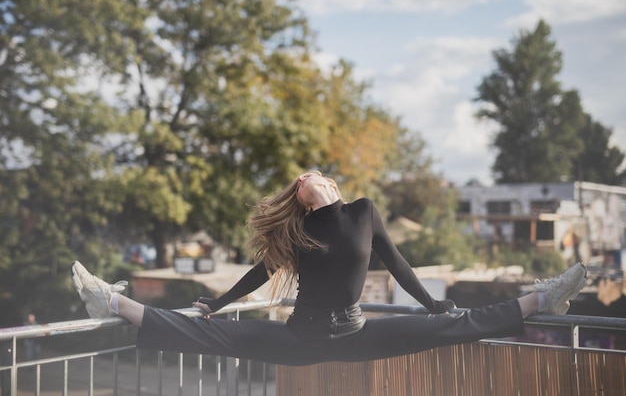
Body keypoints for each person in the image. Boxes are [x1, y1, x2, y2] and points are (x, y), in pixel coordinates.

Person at [71, 171, 587, 366]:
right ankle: (109, 299)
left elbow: (399, 263)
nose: (305, 175)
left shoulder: (365, 212)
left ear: (331, 187)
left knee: (454, 325)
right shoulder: (296, 232)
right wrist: (217, 303)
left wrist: (432, 304)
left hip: (357, 335)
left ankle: (545, 297)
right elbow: (260, 274)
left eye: (313, 172)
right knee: (212, 335)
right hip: (300, 340)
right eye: (300, 177)